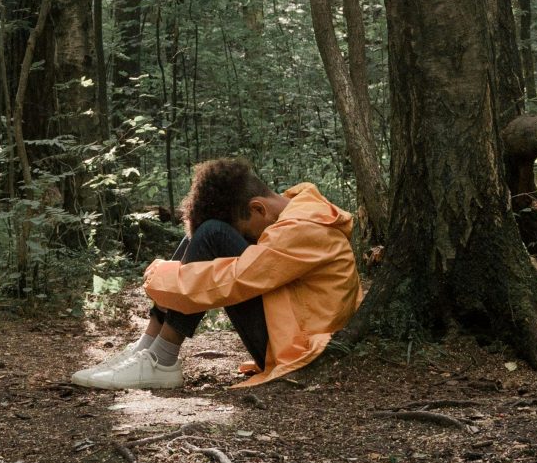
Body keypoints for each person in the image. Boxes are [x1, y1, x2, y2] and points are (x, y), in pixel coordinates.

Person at [69, 158, 361, 391]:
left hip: (301, 347)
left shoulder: (304, 229)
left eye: (248, 232)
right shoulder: (294, 213)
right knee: (203, 232)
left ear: (258, 208)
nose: (251, 239)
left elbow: (232, 280)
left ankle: (162, 359)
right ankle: (148, 346)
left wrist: (160, 277)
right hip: (288, 325)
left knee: (213, 233)